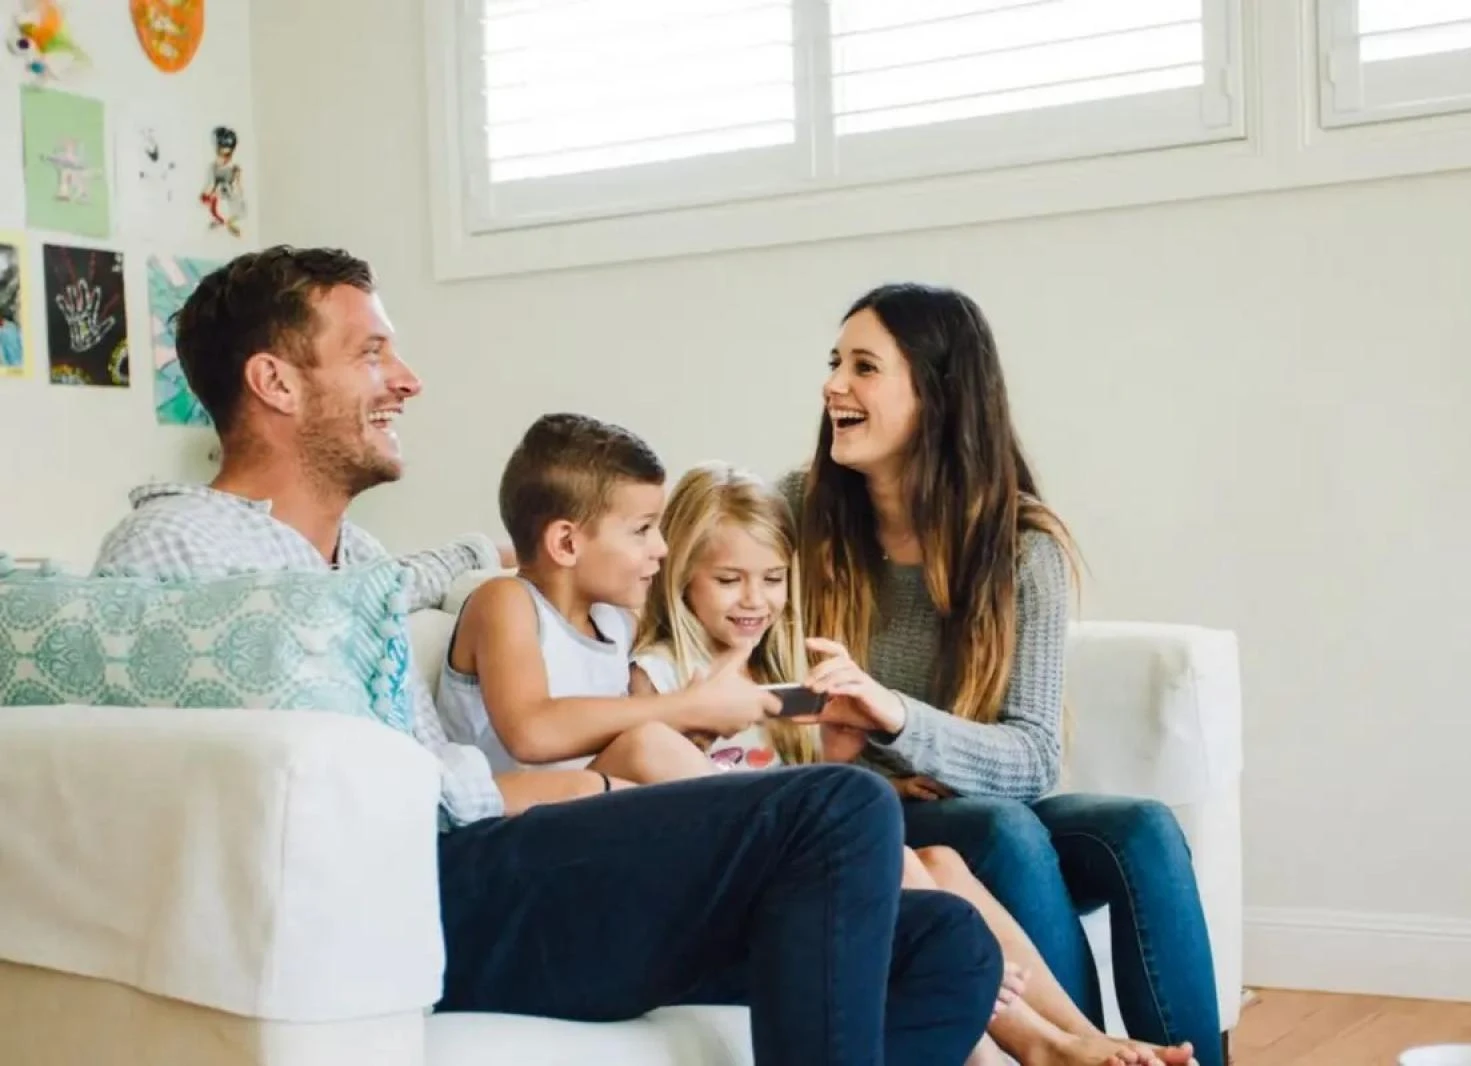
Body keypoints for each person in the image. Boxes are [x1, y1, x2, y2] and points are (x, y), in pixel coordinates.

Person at [89, 246, 1004, 1066]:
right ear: (275, 383)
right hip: (407, 886)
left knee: (947, 947)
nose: (406, 380)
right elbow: (209, 796)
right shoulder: (177, 544)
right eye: (371, 353)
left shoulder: (357, 564)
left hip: (478, 851)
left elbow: (415, 614)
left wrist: (495, 570)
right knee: (839, 807)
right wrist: (579, 785)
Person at [617, 459, 1194, 1066]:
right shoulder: (662, 677)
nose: (754, 600)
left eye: (773, 579)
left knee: (942, 862)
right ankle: (1036, 1042)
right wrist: (699, 728)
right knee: (904, 866)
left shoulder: (777, 672)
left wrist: (863, 770)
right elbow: (664, 802)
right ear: (682, 577)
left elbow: (790, 786)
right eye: (729, 580)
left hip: (789, 861)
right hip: (738, 878)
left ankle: (1086, 1036)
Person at [781, 282, 1223, 1065]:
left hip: (977, 802)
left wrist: (897, 718)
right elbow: (728, 647)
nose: (834, 385)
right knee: (1003, 828)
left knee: (1144, 829)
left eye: (864, 367)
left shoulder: (1021, 547)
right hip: (874, 811)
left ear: (937, 394)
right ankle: (1093, 1056)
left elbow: (1033, 759)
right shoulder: (795, 517)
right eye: (834, 362)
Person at [434, 413, 789, 787]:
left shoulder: (618, 624)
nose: (661, 548)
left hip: (601, 805)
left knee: (657, 745)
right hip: (509, 815)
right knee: (647, 746)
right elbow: (531, 732)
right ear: (567, 543)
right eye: (642, 530)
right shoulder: (506, 602)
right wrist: (689, 707)